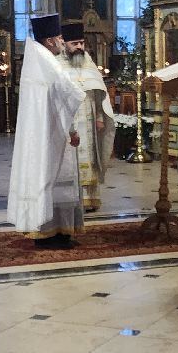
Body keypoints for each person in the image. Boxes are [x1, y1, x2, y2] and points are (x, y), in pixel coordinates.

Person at [8, 14, 84, 249]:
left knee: (49, 181)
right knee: (51, 179)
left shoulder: (37, 60)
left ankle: (56, 231)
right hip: (52, 135)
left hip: (44, 134)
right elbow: (68, 95)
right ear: (50, 41)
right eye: (59, 38)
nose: (62, 41)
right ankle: (50, 235)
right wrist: (72, 130)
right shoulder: (48, 63)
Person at [57, 21, 114, 213]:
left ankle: (89, 199)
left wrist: (100, 117)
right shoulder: (57, 64)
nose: (79, 47)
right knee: (69, 159)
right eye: (74, 43)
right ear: (64, 43)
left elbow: (98, 93)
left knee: (90, 157)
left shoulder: (88, 62)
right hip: (69, 120)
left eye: (81, 42)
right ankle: (70, 198)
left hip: (89, 118)